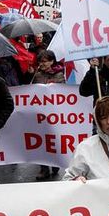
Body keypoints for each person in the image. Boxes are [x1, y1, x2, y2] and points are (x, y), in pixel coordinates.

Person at [32, 50, 65, 180]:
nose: (42, 64)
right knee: (41, 141)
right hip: (40, 114)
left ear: (52, 61)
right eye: (40, 61)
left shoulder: (59, 75)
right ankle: (44, 168)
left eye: (45, 61)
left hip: (54, 114)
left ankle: (55, 163)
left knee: (53, 140)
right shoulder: (37, 75)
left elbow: (61, 92)